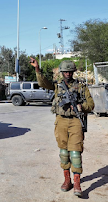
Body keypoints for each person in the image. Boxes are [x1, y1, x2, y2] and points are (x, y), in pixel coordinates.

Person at [30, 57, 94, 197]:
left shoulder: (81, 87)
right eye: (65, 72)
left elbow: (91, 105)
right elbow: (42, 82)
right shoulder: (57, 85)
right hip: (60, 121)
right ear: (62, 72)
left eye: (70, 72)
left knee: (75, 153)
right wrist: (37, 68)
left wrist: (80, 106)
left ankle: (77, 183)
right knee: (64, 153)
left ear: (73, 72)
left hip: (75, 121)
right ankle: (67, 180)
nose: (68, 74)